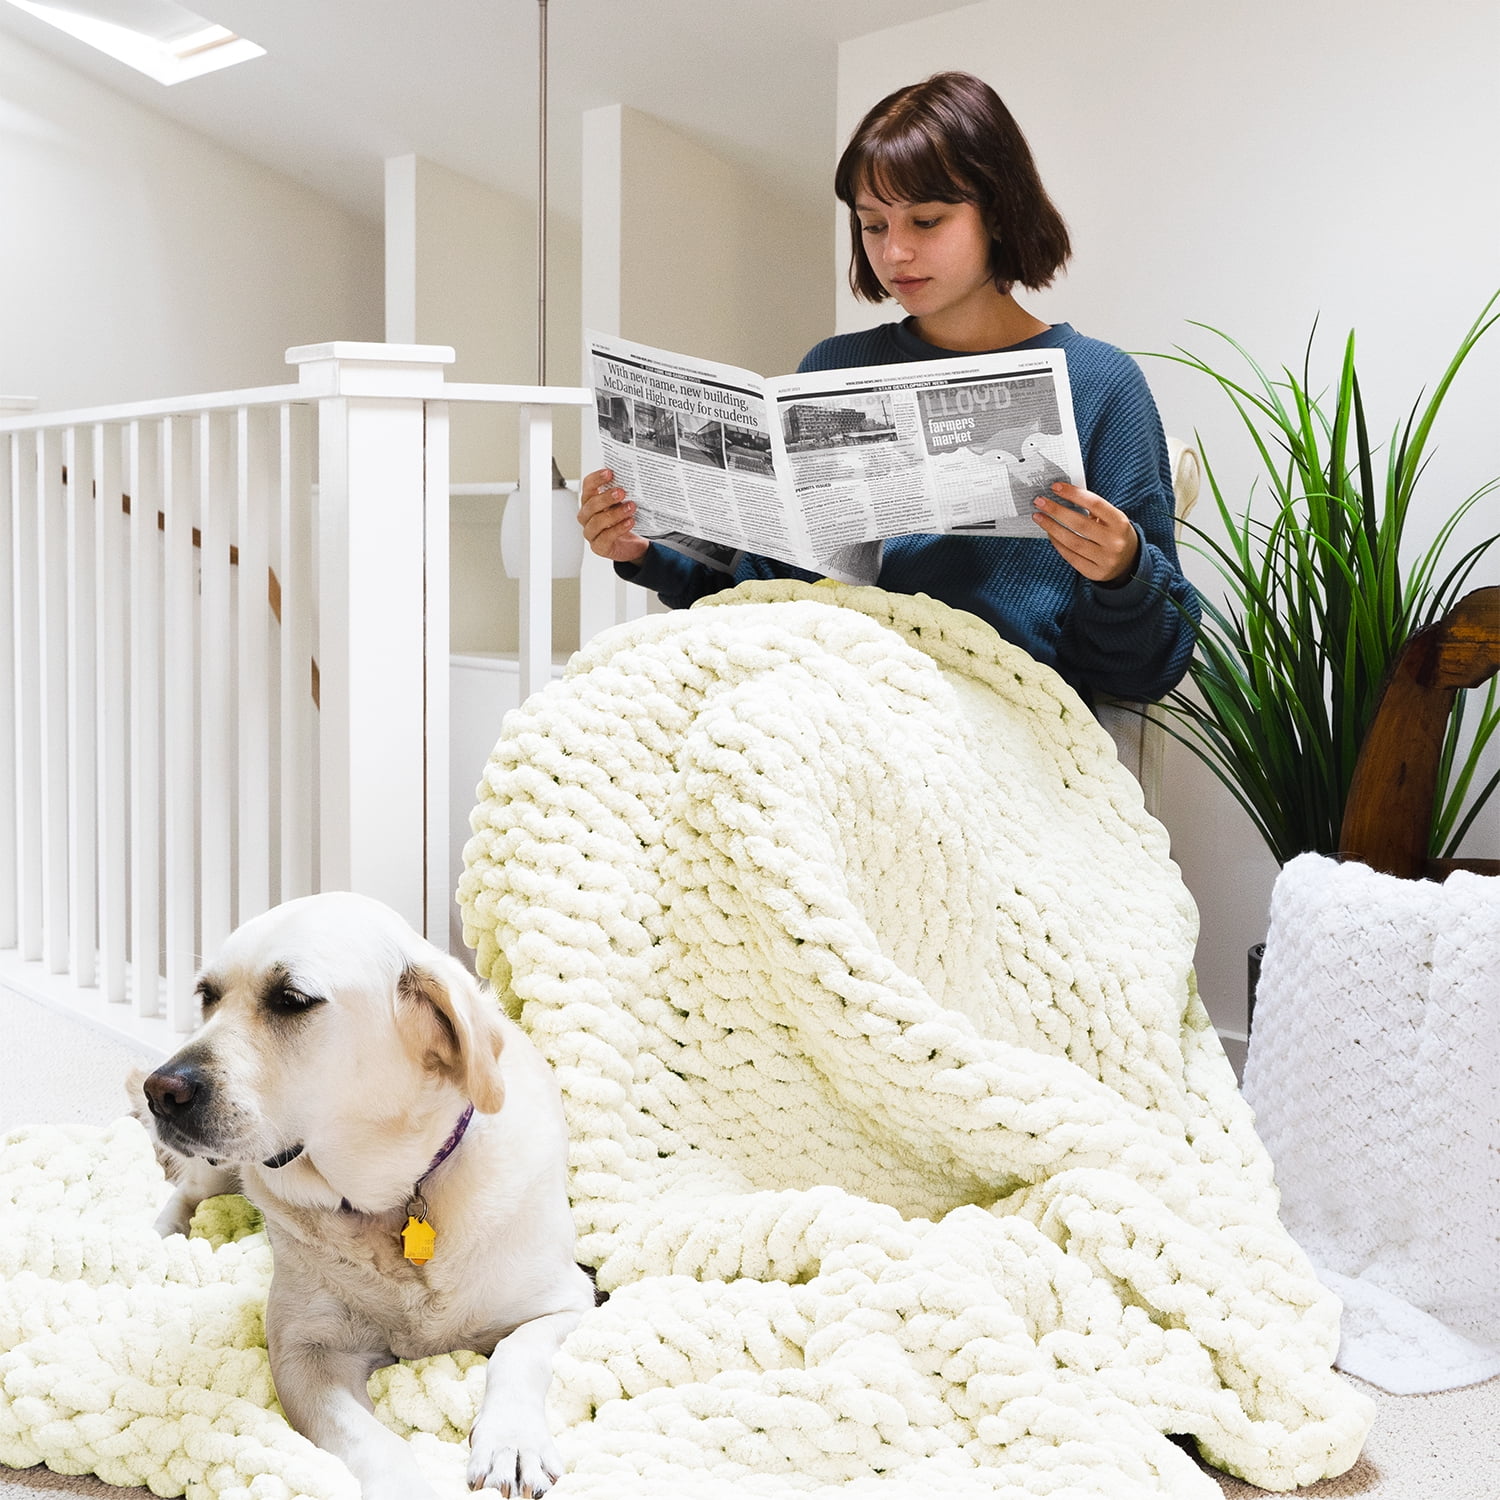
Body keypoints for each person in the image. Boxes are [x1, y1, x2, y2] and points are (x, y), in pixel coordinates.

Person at [577, 70, 1199, 705]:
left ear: (999, 213)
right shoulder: (833, 366)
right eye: (873, 226)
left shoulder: (1100, 382)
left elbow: (1148, 670)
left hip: (984, 703)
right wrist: (646, 550)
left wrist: (1123, 573)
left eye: (926, 221)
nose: (895, 251)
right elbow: (765, 588)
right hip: (815, 677)